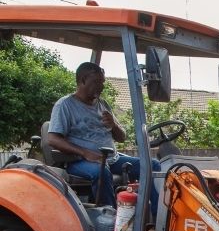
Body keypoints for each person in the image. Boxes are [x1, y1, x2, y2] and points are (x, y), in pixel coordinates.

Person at [48, 62, 159, 216]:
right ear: (83, 80)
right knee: (101, 172)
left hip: (112, 159)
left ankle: (157, 218)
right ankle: (110, 219)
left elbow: (121, 137)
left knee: (151, 164)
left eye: (102, 82)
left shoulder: (103, 104)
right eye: (97, 82)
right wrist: (85, 153)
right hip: (80, 161)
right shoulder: (65, 105)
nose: (101, 87)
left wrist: (113, 125)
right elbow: (53, 139)